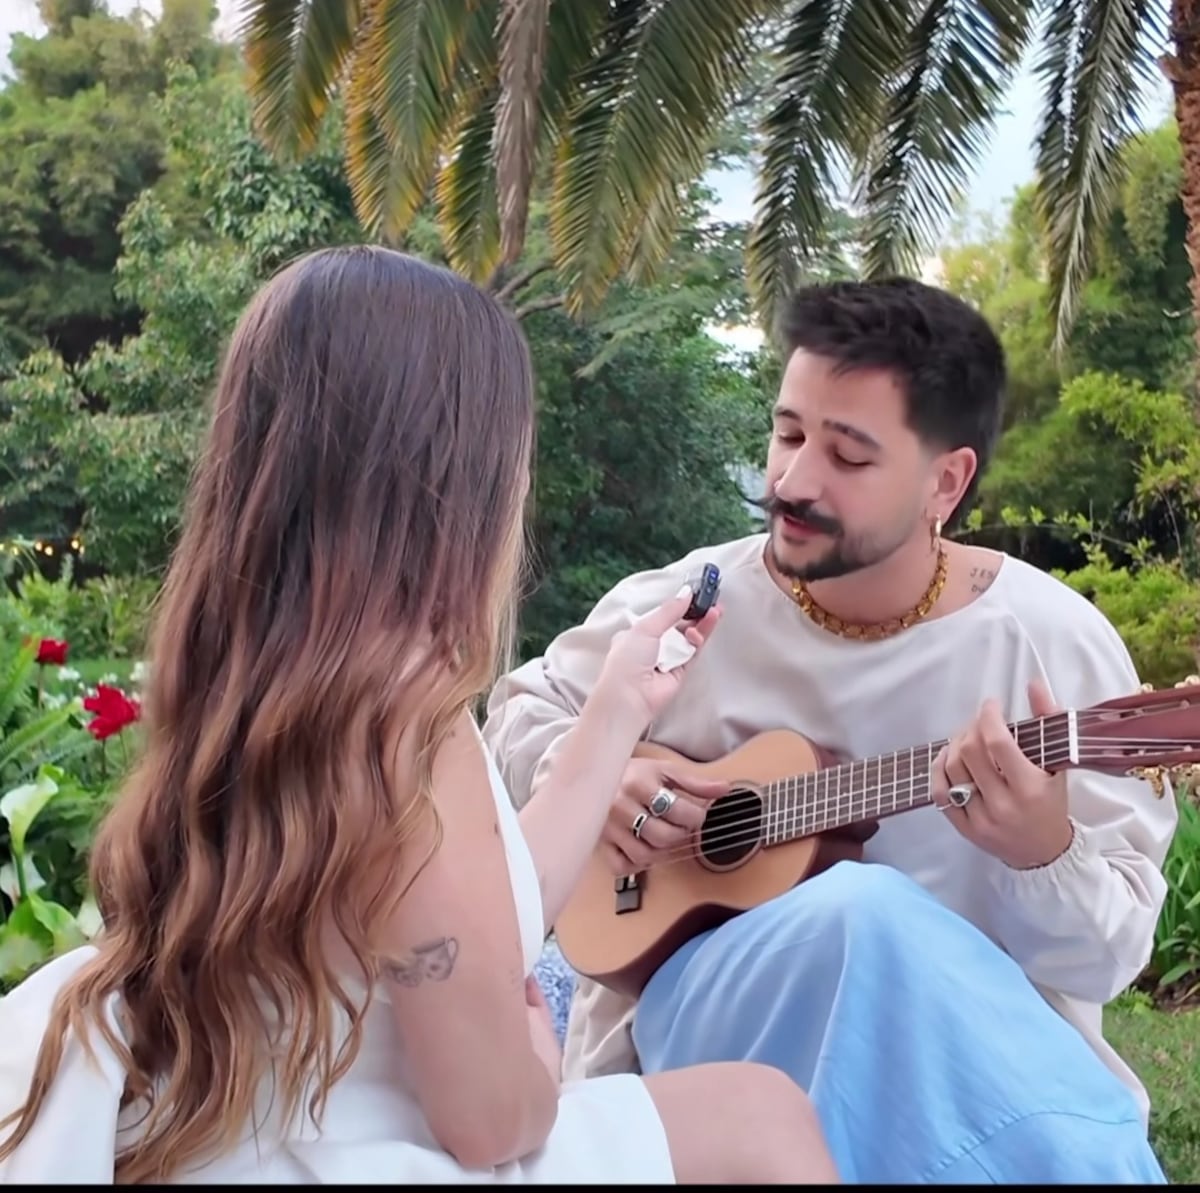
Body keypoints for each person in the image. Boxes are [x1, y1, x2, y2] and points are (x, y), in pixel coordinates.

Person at [0, 246, 839, 1185]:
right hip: (350, 1150)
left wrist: (617, 709)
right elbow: (490, 1120)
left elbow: (473, 905)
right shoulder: (407, 721)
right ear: (454, 479)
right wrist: (540, 1057)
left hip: (249, 1119)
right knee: (764, 1118)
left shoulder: (250, 673)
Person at [481, 277, 1179, 1184]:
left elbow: (1106, 961)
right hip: (706, 1043)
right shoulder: (696, 601)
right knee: (857, 912)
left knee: (865, 916)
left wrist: (1045, 851)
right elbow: (519, 710)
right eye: (788, 434)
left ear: (946, 481)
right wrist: (594, 773)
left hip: (970, 1081)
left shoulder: (1053, 646)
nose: (794, 481)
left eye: (848, 456)